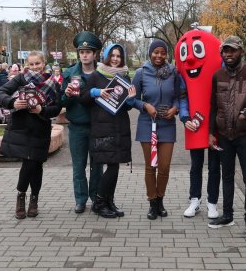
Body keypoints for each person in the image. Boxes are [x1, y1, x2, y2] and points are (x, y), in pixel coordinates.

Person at [208, 36, 246, 236]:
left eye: (232, 50)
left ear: (241, 52)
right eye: (225, 51)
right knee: (226, 176)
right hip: (224, 135)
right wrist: (211, 132)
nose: (228, 54)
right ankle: (227, 216)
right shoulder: (217, 75)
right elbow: (212, 106)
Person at [0, 51, 62, 219]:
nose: (34, 67)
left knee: (37, 165)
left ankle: (34, 200)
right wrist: (13, 102)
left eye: (37, 63)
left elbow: (57, 107)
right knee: (28, 163)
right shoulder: (20, 79)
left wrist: (42, 110)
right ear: (26, 65)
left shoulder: (52, 83)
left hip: (41, 128)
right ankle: (21, 196)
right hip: (22, 128)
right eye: (31, 64)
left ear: (44, 63)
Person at [81, 43, 136, 218]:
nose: (115, 59)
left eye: (119, 56)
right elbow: (83, 98)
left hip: (120, 126)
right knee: (111, 166)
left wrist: (131, 99)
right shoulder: (96, 75)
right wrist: (96, 92)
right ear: (106, 56)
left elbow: (127, 107)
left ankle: (109, 201)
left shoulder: (125, 77)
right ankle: (99, 201)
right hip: (102, 127)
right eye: (112, 55)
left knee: (116, 166)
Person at [175, 28, 223, 219]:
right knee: (196, 165)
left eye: (197, 50)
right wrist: (185, 118)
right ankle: (195, 199)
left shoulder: (221, 72)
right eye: (187, 52)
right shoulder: (182, 75)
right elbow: (182, 96)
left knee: (214, 165)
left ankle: (212, 202)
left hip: (215, 124)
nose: (192, 59)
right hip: (194, 123)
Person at [131, 40, 180, 220]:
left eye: (162, 53)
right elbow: (131, 99)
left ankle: (160, 200)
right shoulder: (141, 73)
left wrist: (175, 108)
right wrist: (145, 106)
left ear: (166, 55)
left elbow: (179, 96)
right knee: (151, 166)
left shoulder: (174, 73)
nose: (159, 56)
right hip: (147, 124)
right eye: (155, 52)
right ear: (150, 53)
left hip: (167, 125)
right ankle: (152, 203)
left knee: (165, 166)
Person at [61, 31, 103, 214]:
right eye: (81, 51)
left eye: (88, 51)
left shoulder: (102, 73)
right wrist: (67, 94)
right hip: (77, 127)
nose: (84, 55)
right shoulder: (70, 73)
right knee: (79, 166)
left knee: (97, 166)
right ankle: (80, 199)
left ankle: (96, 198)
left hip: (97, 126)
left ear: (95, 54)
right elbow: (61, 102)